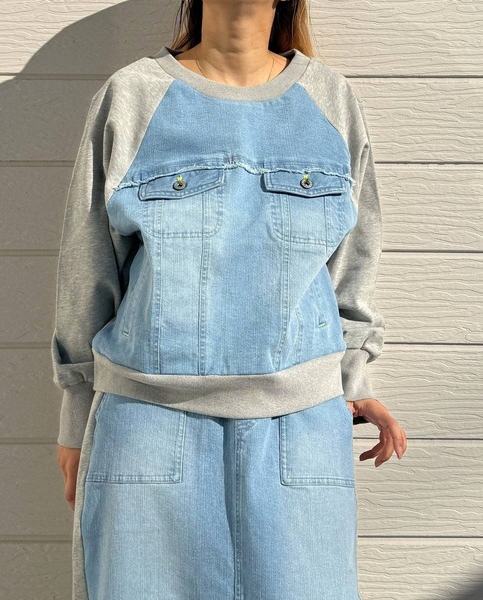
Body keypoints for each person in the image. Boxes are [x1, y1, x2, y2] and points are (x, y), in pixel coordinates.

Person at [53, 1, 408, 598]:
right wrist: (74, 420)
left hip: (299, 431)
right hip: (148, 424)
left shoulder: (331, 99)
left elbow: (352, 265)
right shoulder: (133, 95)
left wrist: (354, 381)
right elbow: (88, 267)